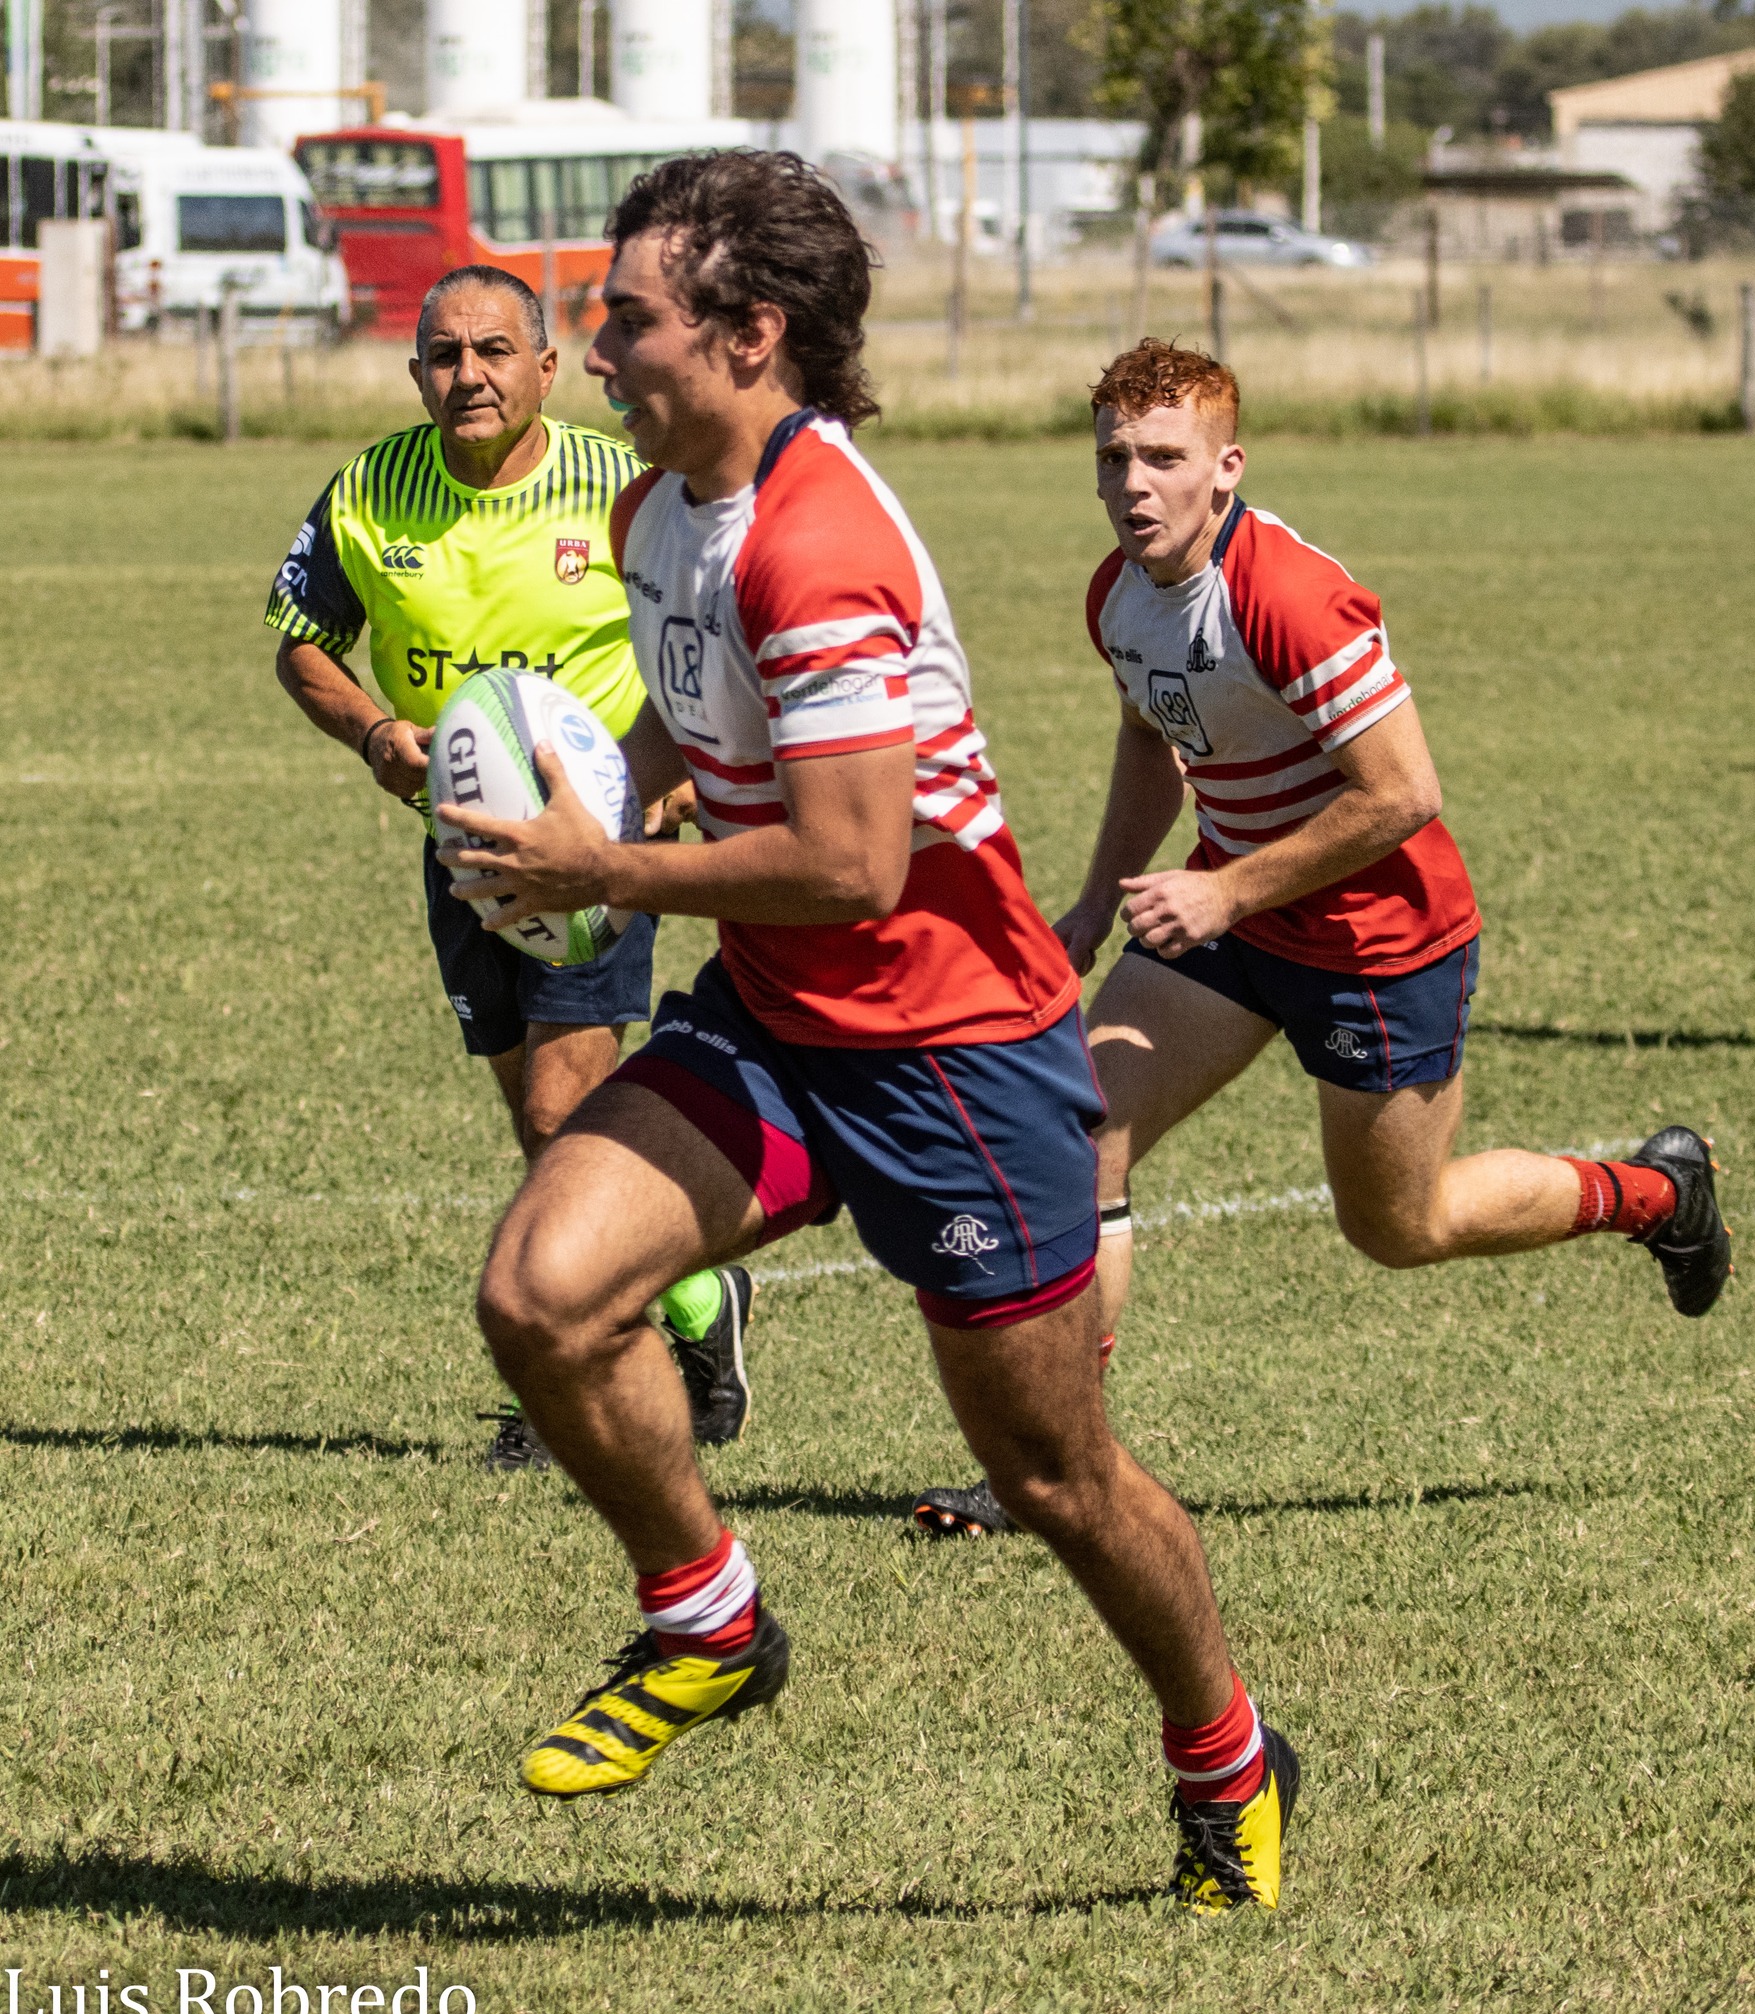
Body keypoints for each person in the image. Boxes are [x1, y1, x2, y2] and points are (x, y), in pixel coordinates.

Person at [434, 156, 1299, 1914]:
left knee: (1050, 1473)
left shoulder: (817, 545)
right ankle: (708, 1617)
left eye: (629, 317)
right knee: (539, 1292)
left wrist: (602, 861)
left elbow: (851, 857)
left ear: (755, 336)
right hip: (773, 1012)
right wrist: (577, 798)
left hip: (953, 1057)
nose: (597, 351)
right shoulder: (660, 508)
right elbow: (693, 737)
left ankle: (1224, 1743)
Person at [911, 340, 1731, 1541]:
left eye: (1163, 458)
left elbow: (1404, 791)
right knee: (1078, 1133)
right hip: (1231, 919)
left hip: (1378, 943)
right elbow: (1152, 735)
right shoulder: (1118, 593)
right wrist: (1094, 902)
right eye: (1112, 458)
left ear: (1227, 467)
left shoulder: (1286, 595)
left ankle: (1657, 1190)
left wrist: (1231, 890)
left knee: (1403, 1225)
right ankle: (1059, 1468)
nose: (1133, 483)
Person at [266, 263, 755, 1469]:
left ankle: (601, 1371)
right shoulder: (371, 492)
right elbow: (300, 644)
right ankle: (700, 1301)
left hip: (598, 839)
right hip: (461, 843)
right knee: (539, 1119)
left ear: (546, 366)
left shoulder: (623, 488)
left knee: (560, 1111)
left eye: (494, 351)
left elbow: (718, 619)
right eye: (444, 354)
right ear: (415, 370)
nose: (468, 375)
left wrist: (681, 768)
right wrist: (378, 730)